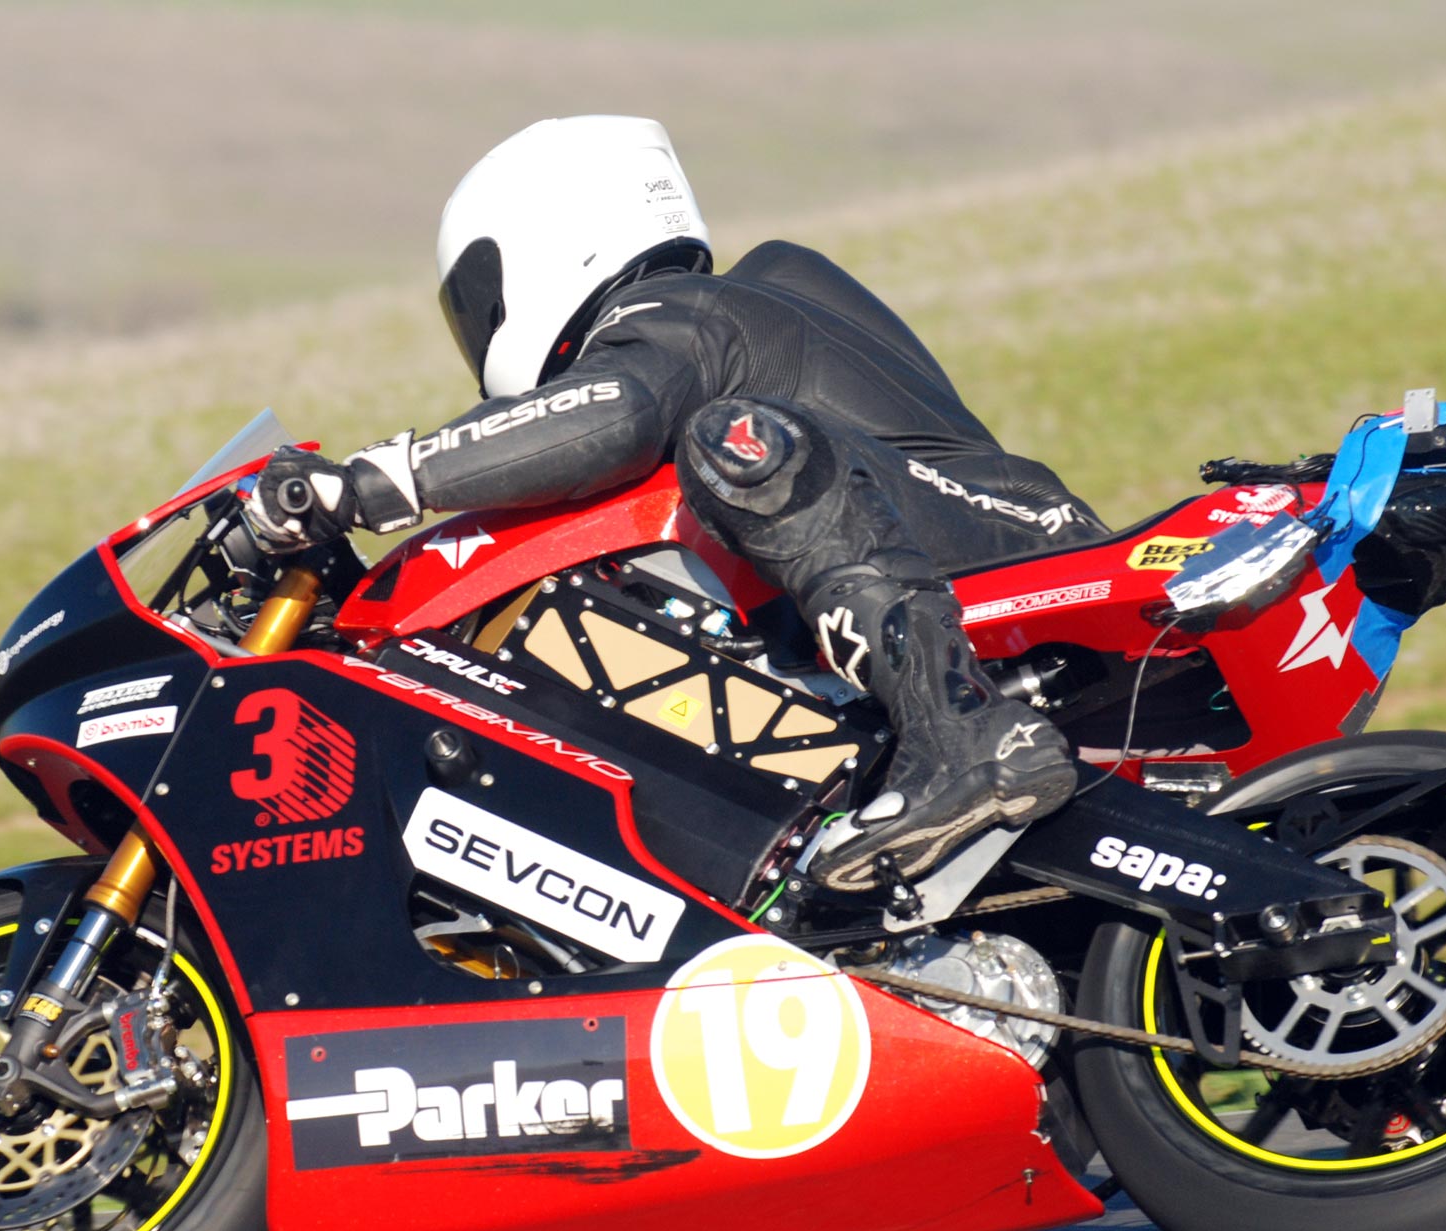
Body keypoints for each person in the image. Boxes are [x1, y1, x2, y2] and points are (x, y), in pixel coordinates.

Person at [244, 115, 1106, 894]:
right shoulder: (767, 299)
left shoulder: (683, 313)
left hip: (1011, 555)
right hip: (1001, 547)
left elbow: (614, 412)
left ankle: (956, 729)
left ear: (545, 237)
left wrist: (367, 483)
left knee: (736, 439)